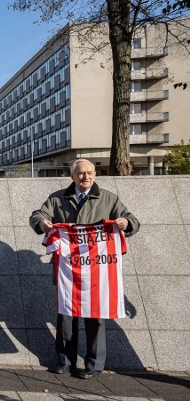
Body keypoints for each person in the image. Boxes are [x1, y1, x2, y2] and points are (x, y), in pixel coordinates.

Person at [29, 158, 140, 379]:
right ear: (72, 176)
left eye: (90, 172)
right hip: (67, 269)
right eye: (80, 173)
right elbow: (38, 215)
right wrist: (42, 224)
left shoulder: (109, 198)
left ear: (95, 175)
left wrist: (125, 224)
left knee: (95, 316)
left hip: (97, 269)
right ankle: (65, 361)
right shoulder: (57, 198)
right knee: (66, 316)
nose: (85, 177)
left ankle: (94, 364)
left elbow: (132, 219)